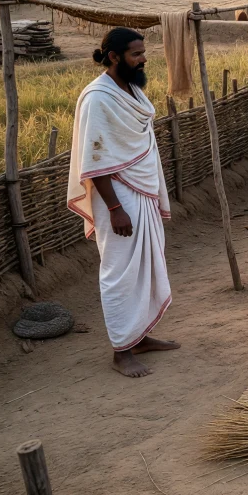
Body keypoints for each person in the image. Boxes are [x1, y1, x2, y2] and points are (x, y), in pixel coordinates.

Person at [66, 28, 179, 378]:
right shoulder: (98, 98)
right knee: (119, 271)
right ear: (114, 57)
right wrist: (115, 209)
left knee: (143, 264)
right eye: (136, 54)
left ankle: (139, 336)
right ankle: (121, 350)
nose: (144, 59)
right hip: (118, 194)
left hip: (139, 189)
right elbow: (94, 159)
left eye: (144, 52)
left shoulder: (130, 88)